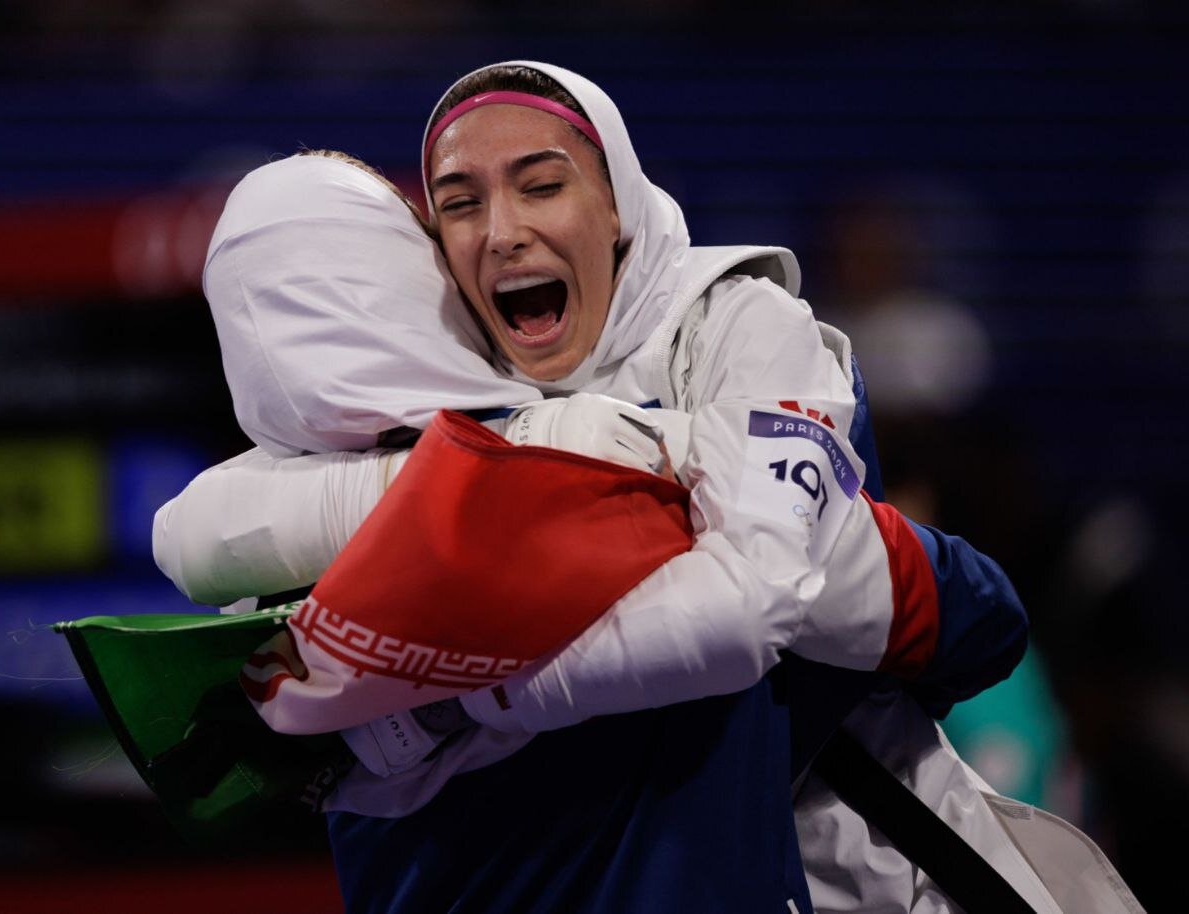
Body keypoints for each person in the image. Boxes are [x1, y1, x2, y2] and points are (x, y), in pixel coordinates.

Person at [156, 64, 1139, 913]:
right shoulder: (267, 532)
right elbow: (856, 607)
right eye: (457, 203)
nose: (500, 231)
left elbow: (940, 612)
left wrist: (471, 668)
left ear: (615, 201)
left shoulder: (734, 326)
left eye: (540, 186)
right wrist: (647, 461)